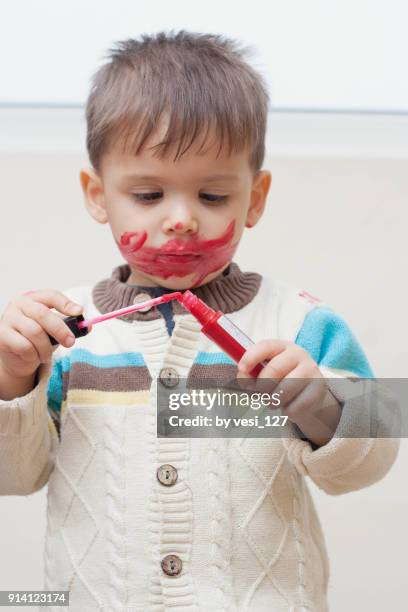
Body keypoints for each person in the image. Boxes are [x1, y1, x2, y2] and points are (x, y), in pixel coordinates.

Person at [0, 31, 399, 611]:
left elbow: (374, 455)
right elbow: (15, 475)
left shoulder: (300, 322)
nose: (181, 219)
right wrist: (13, 379)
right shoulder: (61, 333)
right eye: (148, 193)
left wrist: (320, 404)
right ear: (97, 195)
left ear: (254, 199)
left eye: (212, 196)